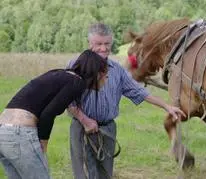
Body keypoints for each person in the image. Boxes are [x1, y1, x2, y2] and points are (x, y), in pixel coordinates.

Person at [68, 23, 185, 179]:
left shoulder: (117, 70)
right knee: (83, 173)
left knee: (105, 174)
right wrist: (85, 120)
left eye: (107, 44)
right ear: (90, 44)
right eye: (99, 44)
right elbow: (68, 101)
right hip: (82, 128)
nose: (103, 48)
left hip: (107, 129)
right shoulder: (76, 65)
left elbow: (139, 91)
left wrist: (166, 106)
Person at [0, 49, 108, 179]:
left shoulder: (60, 74)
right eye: (106, 74)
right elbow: (48, 114)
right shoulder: (77, 82)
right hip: (20, 133)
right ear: (97, 74)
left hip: (3, 132)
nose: (107, 78)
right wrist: (43, 142)